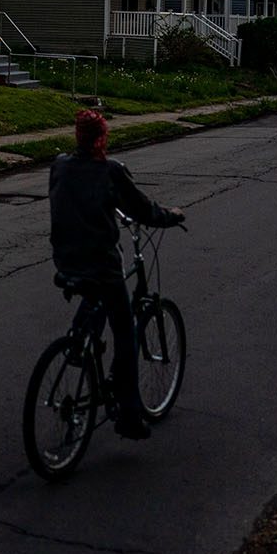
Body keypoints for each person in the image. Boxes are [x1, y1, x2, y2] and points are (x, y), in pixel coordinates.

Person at [48, 108, 185, 439]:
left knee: (96, 296)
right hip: (99, 265)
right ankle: (128, 414)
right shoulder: (110, 171)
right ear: (102, 138)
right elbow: (143, 210)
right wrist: (172, 215)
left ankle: (77, 341)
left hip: (65, 261)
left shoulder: (60, 166)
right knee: (125, 330)